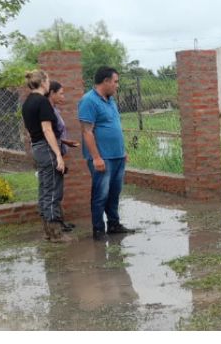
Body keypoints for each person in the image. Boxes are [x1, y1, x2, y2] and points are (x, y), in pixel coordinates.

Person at [78, 66, 136, 239]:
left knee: (114, 193)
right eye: (115, 81)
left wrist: (122, 150)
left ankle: (114, 224)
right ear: (106, 81)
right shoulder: (88, 100)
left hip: (117, 156)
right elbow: (87, 132)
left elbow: (114, 127)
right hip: (102, 158)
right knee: (100, 194)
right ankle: (98, 230)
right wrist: (96, 157)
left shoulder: (110, 100)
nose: (117, 85)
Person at [20, 69, 67, 243]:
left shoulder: (27, 102)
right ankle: (55, 234)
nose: (49, 83)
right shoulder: (42, 102)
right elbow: (47, 130)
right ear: (43, 83)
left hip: (37, 148)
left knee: (45, 188)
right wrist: (58, 155)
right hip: (47, 148)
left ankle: (48, 231)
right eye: (48, 80)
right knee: (53, 189)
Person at [48, 79, 81, 231]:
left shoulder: (55, 110)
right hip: (52, 155)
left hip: (58, 151)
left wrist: (66, 143)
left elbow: (56, 135)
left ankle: (59, 221)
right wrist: (58, 153)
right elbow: (49, 135)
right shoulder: (48, 112)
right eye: (61, 94)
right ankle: (55, 224)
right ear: (52, 93)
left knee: (58, 189)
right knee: (54, 191)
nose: (64, 97)